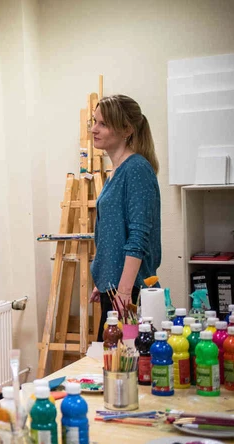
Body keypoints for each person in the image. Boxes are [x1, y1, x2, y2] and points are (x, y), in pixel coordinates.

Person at [89, 95, 161, 341]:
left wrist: (124, 290)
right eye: (94, 122)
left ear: (127, 130)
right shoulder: (117, 171)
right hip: (115, 288)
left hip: (129, 293)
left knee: (125, 361)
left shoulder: (136, 169)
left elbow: (138, 236)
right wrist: (105, 277)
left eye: (103, 124)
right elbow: (113, 232)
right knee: (111, 361)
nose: (94, 129)